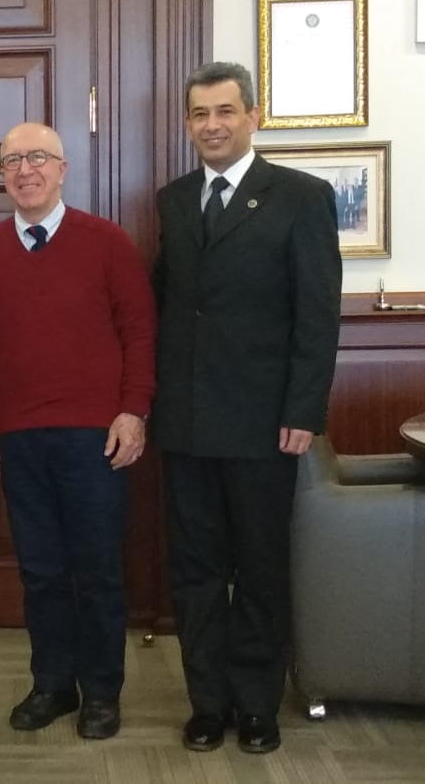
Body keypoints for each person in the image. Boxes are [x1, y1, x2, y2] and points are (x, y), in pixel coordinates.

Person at [152, 61, 342, 755]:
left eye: (225, 111)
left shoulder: (300, 196)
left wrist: (303, 410)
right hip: (186, 422)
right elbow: (169, 306)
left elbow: (317, 315)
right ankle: (208, 704)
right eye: (199, 114)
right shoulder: (174, 200)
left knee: (260, 569)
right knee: (195, 572)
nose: (212, 126)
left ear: (252, 117)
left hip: (266, 423)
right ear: (187, 124)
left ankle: (257, 704)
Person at [0, 122, 156, 739]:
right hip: (17, 437)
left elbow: (140, 333)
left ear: (63, 169)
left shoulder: (108, 242)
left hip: (96, 437)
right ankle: (52, 684)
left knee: (97, 571)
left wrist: (134, 411)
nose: (26, 170)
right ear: (3, 176)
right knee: (40, 572)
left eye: (38, 158)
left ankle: (102, 692)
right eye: (13, 161)